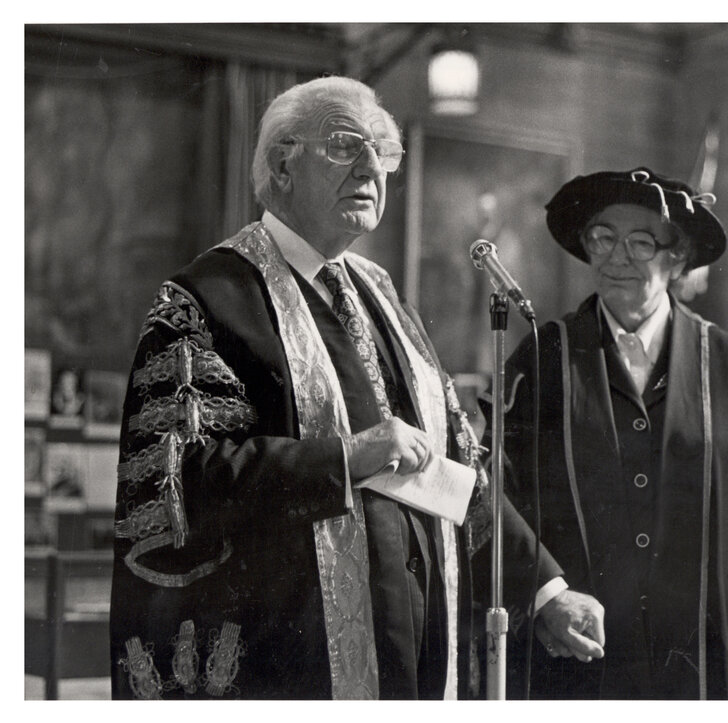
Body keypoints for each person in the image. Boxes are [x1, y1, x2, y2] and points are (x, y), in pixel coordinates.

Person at [109, 75, 604, 700]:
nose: (372, 166)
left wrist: (546, 591)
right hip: (286, 666)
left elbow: (453, 465)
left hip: (417, 662)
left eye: (383, 149)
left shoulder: (384, 297)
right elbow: (179, 490)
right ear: (283, 166)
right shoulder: (208, 300)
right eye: (345, 144)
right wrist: (347, 459)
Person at [482, 168, 728, 699]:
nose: (617, 257)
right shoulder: (544, 360)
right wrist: (546, 593)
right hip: (576, 664)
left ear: (678, 259)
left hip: (709, 669)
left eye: (641, 242)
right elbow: (491, 492)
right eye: (602, 238)